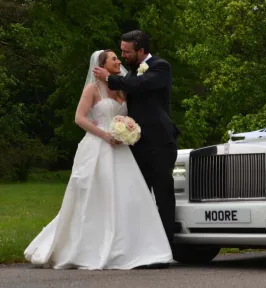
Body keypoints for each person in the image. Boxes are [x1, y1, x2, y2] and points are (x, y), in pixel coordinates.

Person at [23, 50, 173, 270]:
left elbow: (127, 114)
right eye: (114, 59)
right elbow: (79, 118)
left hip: (121, 150)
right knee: (96, 195)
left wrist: (127, 130)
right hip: (97, 146)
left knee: (127, 196)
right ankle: (88, 246)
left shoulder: (122, 89)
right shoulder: (92, 89)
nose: (119, 61)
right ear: (101, 65)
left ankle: (130, 247)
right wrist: (105, 136)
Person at [93, 30, 180, 250]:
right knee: (138, 196)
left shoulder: (161, 67)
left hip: (161, 143)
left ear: (141, 50)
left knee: (163, 195)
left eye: (127, 51)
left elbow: (140, 86)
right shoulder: (130, 74)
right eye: (120, 51)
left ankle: (166, 247)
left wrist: (109, 78)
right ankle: (141, 246)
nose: (123, 56)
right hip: (137, 145)